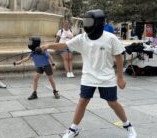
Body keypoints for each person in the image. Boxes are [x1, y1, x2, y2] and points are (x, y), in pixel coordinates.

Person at [42, 9, 137, 138]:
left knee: (112, 103)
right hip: (88, 77)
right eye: (85, 21)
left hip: (106, 78)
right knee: (82, 101)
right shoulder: (82, 38)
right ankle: (73, 128)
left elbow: (119, 57)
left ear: (98, 23)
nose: (86, 24)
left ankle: (128, 125)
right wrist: (48, 46)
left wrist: (120, 77)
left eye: (89, 21)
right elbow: (64, 45)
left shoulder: (110, 38)